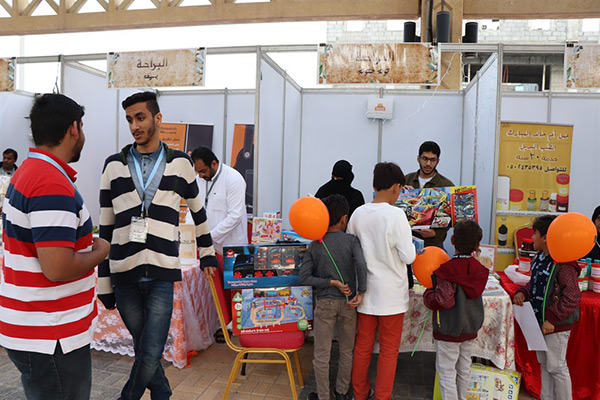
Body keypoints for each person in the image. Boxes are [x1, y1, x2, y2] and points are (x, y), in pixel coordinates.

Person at [98, 91, 218, 400]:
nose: (134, 126)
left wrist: (207, 254)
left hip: (163, 271)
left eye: (140, 118)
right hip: (123, 271)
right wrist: (103, 282)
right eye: (129, 120)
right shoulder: (113, 165)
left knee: (150, 350)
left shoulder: (180, 163)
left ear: (157, 118)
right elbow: (105, 227)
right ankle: (162, 394)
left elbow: (199, 213)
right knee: (146, 349)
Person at [0, 94, 110, 400]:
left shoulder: (31, 171)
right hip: (52, 333)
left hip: (41, 328)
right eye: (82, 127)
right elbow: (57, 268)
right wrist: (100, 251)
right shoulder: (50, 182)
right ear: (74, 128)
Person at [347, 162, 416, 400]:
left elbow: (351, 251)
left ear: (374, 185)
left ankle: (360, 393)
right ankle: (382, 397)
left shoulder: (358, 213)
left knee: (362, 346)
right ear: (397, 187)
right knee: (388, 350)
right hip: (392, 296)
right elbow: (408, 257)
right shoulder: (396, 215)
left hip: (364, 293)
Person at [298, 194, 367, 400]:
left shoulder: (315, 244)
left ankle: (323, 396)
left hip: (325, 303)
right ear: (344, 218)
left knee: (322, 353)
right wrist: (361, 291)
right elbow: (361, 265)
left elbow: (304, 277)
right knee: (346, 351)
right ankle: (342, 392)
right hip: (348, 302)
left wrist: (329, 283)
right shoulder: (352, 240)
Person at [513, 215, 581, 400]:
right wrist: (523, 292)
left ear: (545, 237)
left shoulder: (564, 264)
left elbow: (572, 297)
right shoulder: (539, 258)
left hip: (556, 325)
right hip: (540, 322)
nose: (531, 238)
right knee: (545, 364)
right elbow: (535, 283)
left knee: (556, 366)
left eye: (534, 233)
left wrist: (552, 318)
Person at [423, 220, 489, 400]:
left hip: (449, 328)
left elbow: (444, 300)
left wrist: (428, 294)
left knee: (446, 371)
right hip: (470, 327)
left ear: (452, 240)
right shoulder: (480, 270)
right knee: (464, 367)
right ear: (478, 245)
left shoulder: (446, 270)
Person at [190, 146, 248, 253]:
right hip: (206, 247)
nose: (200, 176)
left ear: (214, 164)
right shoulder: (198, 180)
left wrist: (209, 237)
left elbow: (235, 216)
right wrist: (189, 235)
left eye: (202, 171)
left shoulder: (234, 179)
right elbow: (193, 208)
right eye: (197, 172)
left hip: (231, 247)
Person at [404, 141, 454, 248]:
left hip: (433, 244)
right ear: (418, 159)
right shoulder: (406, 180)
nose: (428, 164)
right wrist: (401, 193)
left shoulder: (446, 185)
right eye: (425, 158)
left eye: (432, 160)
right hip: (406, 242)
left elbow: (451, 217)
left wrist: (436, 234)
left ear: (438, 161)